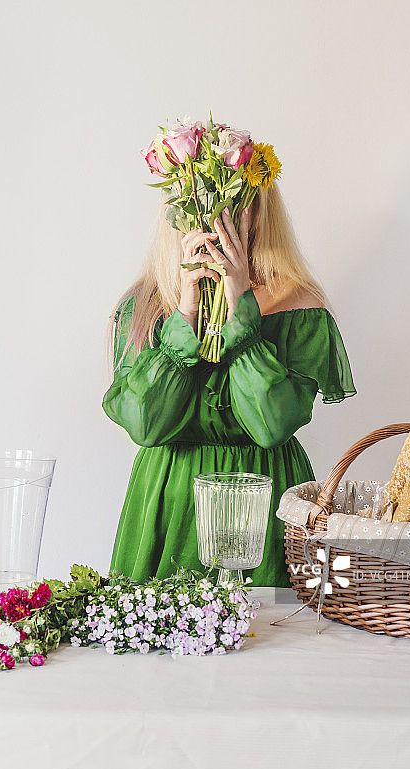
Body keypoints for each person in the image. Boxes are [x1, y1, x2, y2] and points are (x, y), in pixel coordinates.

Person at [102, 181, 356, 587]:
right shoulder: (144, 306)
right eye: (199, 199)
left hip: (265, 500)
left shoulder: (300, 306)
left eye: (235, 202)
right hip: (170, 500)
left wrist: (239, 306)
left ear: (260, 210)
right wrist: (185, 308)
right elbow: (146, 425)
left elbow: (271, 425)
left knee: (279, 641)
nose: (215, 215)